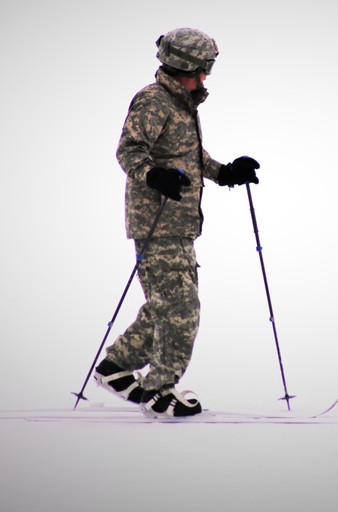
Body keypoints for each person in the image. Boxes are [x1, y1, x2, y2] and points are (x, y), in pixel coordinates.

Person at [92, 27, 260, 417]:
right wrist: (154, 175)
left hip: (179, 222)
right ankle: (159, 391)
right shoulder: (154, 102)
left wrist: (227, 173)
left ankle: (115, 369)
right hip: (157, 221)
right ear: (185, 65)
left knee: (165, 305)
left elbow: (191, 157)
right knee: (180, 307)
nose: (205, 77)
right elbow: (130, 150)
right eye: (203, 69)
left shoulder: (181, 104)